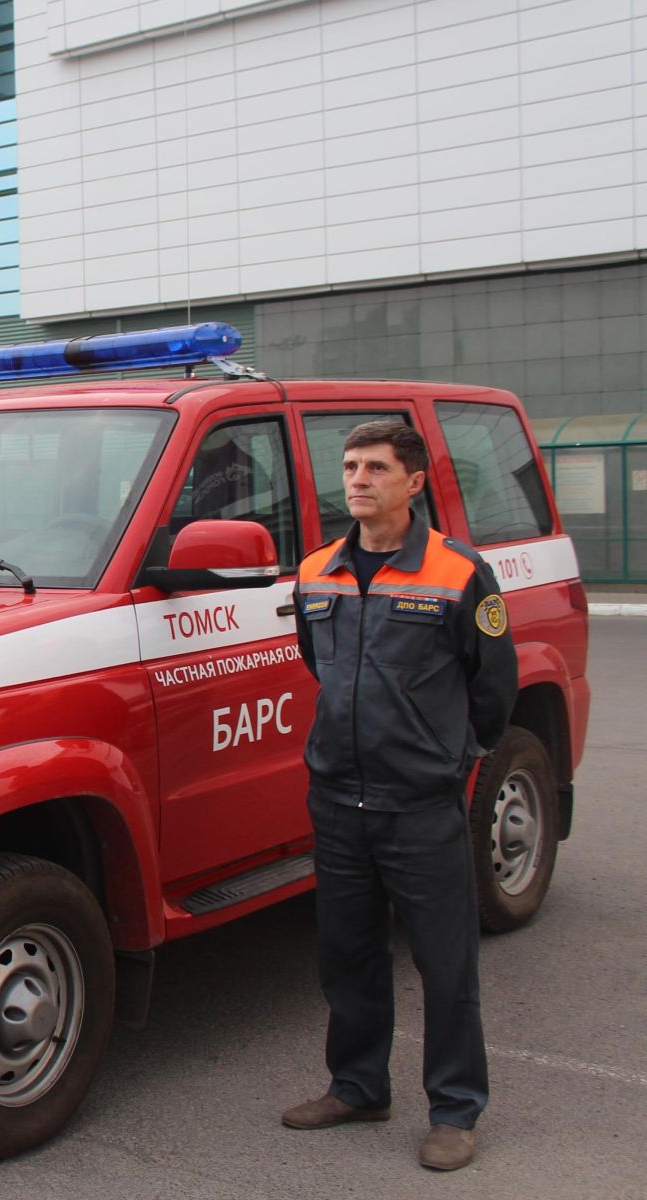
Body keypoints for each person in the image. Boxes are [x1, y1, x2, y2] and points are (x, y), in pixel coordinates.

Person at [285, 419, 517, 1173]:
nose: (357, 479)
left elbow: (494, 687)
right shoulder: (317, 569)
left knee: (446, 965)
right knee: (347, 956)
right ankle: (357, 1087)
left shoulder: (458, 572)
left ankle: (455, 1110)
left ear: (414, 482)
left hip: (419, 804)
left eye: (376, 467)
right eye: (350, 466)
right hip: (338, 800)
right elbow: (317, 663)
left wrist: (450, 759)